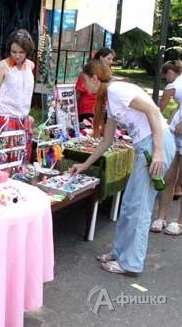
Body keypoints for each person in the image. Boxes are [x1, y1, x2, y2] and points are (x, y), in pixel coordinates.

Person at [69, 59, 175, 275]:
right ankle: (120, 252)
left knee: (139, 207)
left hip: (154, 144)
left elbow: (154, 111)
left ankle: (131, 263)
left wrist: (158, 151)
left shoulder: (117, 89)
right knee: (128, 205)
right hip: (145, 146)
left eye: (84, 81)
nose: (83, 86)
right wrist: (85, 164)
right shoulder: (110, 97)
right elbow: (106, 141)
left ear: (95, 78)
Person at [0, 29, 35, 163]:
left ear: (28, 52)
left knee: (19, 161)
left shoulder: (30, 66)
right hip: (4, 120)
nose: (17, 56)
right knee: (1, 162)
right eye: (14, 52)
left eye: (21, 52)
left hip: (23, 121)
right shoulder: (3, 66)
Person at [150, 60, 182, 235]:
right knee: (169, 176)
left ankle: (179, 222)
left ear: (170, 72)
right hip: (176, 131)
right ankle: (161, 217)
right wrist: (174, 117)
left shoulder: (173, 85)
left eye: (165, 74)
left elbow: (160, 106)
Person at [75, 47, 116, 123]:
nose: (111, 62)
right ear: (101, 57)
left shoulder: (107, 73)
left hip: (101, 110)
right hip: (87, 110)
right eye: (109, 59)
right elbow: (78, 92)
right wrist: (73, 110)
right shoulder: (88, 72)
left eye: (112, 59)